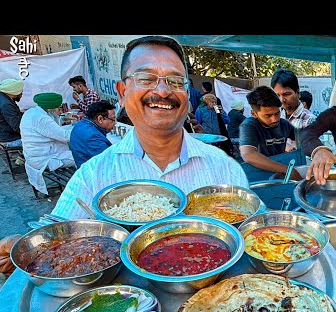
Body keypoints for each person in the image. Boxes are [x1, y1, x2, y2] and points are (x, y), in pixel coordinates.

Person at [48, 35, 248, 221]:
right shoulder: (92, 176)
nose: (162, 91)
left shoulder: (225, 169)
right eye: (146, 78)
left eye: (175, 81)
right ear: (122, 92)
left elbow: (252, 234)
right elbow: (52, 242)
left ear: (186, 95)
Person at [238, 85, 302, 180]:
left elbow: (302, 139)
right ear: (254, 114)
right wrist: (288, 170)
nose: (274, 119)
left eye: (277, 113)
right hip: (258, 176)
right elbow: (248, 155)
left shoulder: (284, 124)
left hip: (279, 174)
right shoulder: (249, 126)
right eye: (268, 116)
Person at [19, 92, 76, 195]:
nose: (60, 111)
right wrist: (83, 130)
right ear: (50, 108)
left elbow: (52, 129)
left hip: (33, 155)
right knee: (83, 156)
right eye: (59, 108)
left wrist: (63, 119)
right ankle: (79, 187)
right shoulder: (42, 119)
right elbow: (65, 136)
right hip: (43, 158)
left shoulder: (31, 112)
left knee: (72, 135)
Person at [270, 69, 316, 153]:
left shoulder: (309, 120)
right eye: (277, 95)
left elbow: (315, 150)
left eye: (286, 94)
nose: (282, 100)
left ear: (298, 93)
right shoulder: (276, 117)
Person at [69, 100, 117, 168]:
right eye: (112, 119)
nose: (115, 123)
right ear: (100, 119)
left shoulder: (81, 124)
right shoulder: (92, 137)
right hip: (92, 174)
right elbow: (111, 160)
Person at [0, 78, 24, 148]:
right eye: (20, 91)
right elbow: (17, 127)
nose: (22, 94)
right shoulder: (6, 105)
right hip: (10, 139)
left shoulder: (3, 98)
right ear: (14, 92)